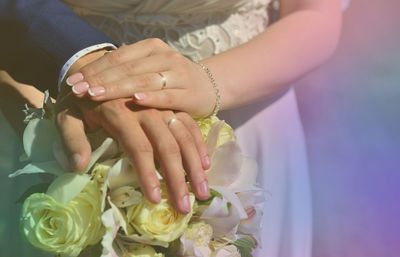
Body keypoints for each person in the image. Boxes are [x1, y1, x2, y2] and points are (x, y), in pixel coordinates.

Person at [1, 0, 344, 256]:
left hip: (247, 119)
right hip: (64, 111)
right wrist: (52, 107)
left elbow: (315, 15)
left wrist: (206, 82)